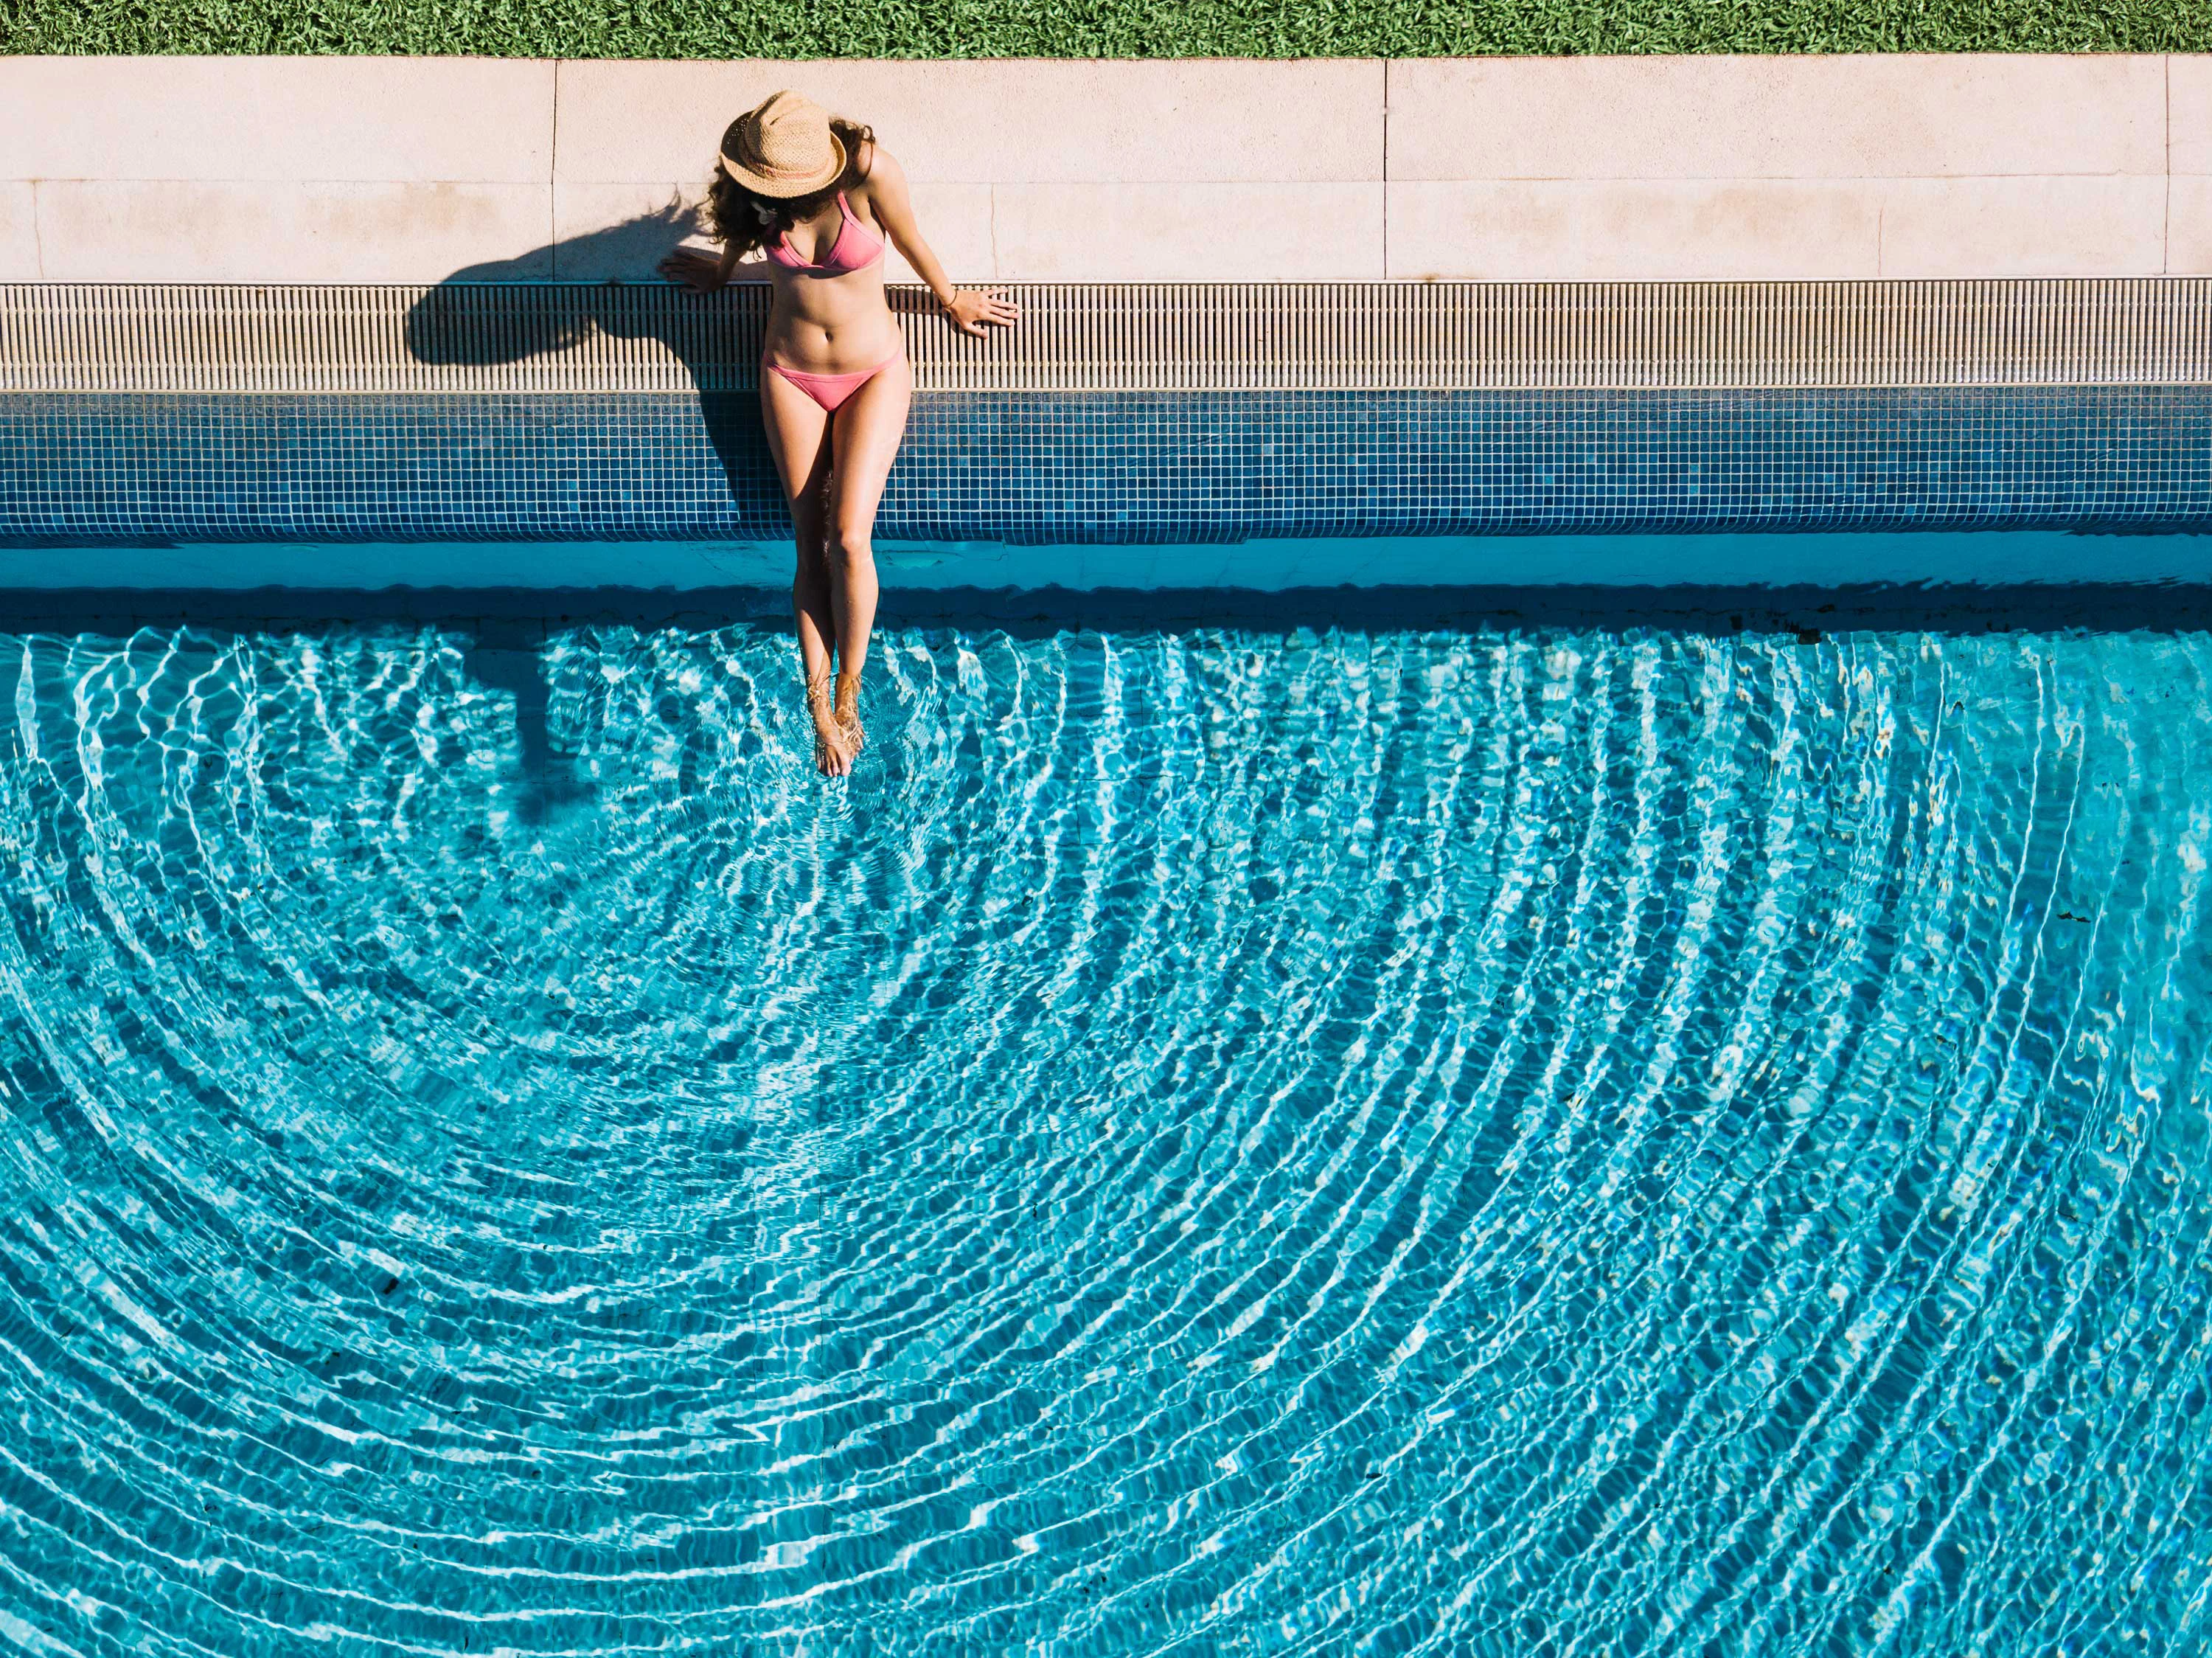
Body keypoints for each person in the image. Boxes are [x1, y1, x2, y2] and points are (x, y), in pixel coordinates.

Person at [660, 91, 1020, 776]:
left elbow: (910, 236)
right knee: (808, 540)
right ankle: (816, 706)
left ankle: (849, 690)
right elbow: (739, 231)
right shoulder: (753, 189)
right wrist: (724, 271)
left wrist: (951, 298)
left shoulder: (870, 170)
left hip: (873, 371)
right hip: (790, 373)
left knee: (850, 536)